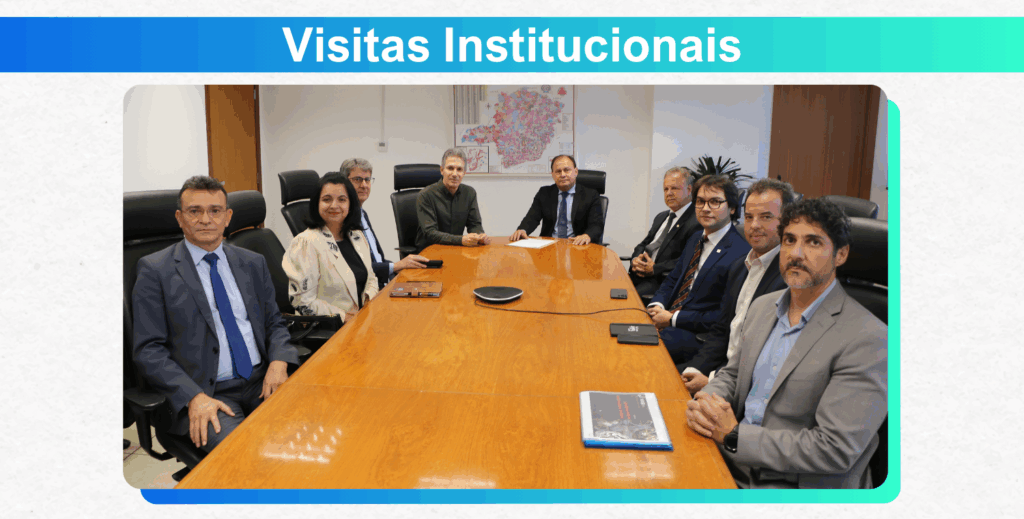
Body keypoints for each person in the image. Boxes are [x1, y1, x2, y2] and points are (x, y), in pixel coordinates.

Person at [685, 198, 887, 489]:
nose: (796, 253)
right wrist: (707, 402)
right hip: (731, 460)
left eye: (814, 242)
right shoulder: (763, 307)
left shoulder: (870, 339)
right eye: (789, 240)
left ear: (840, 255)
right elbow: (733, 374)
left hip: (791, 485)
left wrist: (734, 435)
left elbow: (834, 449)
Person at [133, 176, 298, 452]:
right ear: (179, 217)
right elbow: (148, 350)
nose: (205, 219)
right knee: (247, 455)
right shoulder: (155, 270)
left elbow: (274, 322)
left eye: (215, 210)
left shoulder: (252, 262)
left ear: (227, 216)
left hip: (261, 380)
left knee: (308, 433)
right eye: (194, 211)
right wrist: (193, 396)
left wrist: (279, 362)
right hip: (207, 393)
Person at [679, 178, 795, 395]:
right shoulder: (740, 267)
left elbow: (768, 356)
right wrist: (695, 368)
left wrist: (711, 380)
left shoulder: (789, 279)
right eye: (749, 217)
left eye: (766, 217)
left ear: (787, 222)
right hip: (720, 370)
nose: (755, 226)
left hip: (746, 386)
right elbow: (722, 331)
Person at [646, 174, 750, 365]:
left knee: (642, 352)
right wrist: (657, 305)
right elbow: (673, 279)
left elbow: (723, 316)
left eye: (715, 202)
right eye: (700, 202)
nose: (705, 208)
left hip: (697, 336)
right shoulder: (696, 238)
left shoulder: (740, 253)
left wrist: (673, 318)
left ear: (732, 208)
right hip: (668, 320)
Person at [282, 173, 379, 323]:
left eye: (342, 200)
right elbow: (303, 301)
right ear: (317, 204)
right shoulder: (306, 243)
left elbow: (371, 277)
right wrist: (345, 317)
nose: (334, 205)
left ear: (350, 204)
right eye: (327, 199)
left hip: (361, 321)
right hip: (327, 330)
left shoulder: (357, 236)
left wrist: (367, 302)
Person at [342, 158, 428, 290]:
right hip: (366, 291)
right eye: (358, 179)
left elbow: (377, 259)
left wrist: (399, 266)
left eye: (368, 179)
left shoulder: (362, 214)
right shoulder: (343, 220)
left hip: (381, 282)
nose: (364, 185)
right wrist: (396, 266)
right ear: (344, 183)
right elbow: (357, 268)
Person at [627, 167, 701, 296]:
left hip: (660, 281)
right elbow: (643, 245)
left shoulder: (697, 221)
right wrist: (635, 260)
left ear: (689, 190)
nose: (669, 193)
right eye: (666, 189)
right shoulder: (661, 216)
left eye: (674, 188)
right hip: (639, 274)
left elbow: (688, 260)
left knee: (626, 300)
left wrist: (655, 269)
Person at [509, 154, 604, 246]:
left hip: (577, 245)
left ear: (576, 172)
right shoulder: (544, 193)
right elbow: (532, 218)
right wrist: (523, 230)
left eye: (567, 170)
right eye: (558, 171)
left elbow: (596, 224)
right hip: (549, 245)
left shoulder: (591, 195)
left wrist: (587, 236)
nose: (562, 175)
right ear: (553, 175)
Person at [415, 148, 490, 251]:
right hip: (429, 252)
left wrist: (479, 236)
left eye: (459, 169)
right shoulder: (425, 195)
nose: (455, 174)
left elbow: (474, 225)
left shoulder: (469, 193)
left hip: (455, 250)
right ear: (442, 170)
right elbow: (430, 233)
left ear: (464, 173)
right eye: (450, 168)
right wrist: (461, 240)